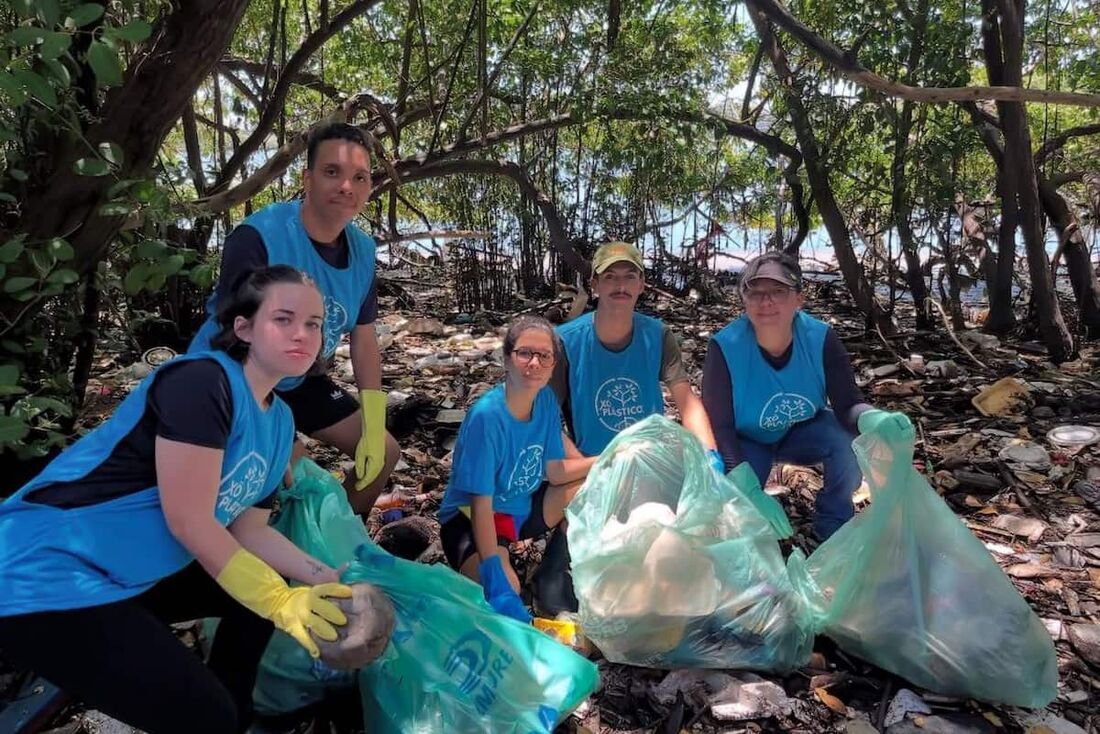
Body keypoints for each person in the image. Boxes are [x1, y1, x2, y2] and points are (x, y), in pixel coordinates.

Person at [0, 266, 358, 734]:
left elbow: (250, 532)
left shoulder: (279, 424)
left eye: (313, 323)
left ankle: (233, 717)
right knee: (206, 710)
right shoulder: (203, 382)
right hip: (50, 574)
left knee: (257, 598)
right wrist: (277, 600)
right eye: (283, 319)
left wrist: (324, 577)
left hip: (131, 570)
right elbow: (190, 520)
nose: (302, 334)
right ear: (243, 328)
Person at [190, 122, 398, 515]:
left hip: (301, 376)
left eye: (360, 177)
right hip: (233, 377)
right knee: (299, 481)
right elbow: (234, 340)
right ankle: (283, 541)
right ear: (307, 179)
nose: (346, 187)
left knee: (384, 454)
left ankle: (341, 538)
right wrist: (280, 438)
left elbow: (364, 337)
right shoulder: (260, 236)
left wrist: (373, 422)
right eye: (332, 172)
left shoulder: (363, 250)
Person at [537, 241, 721, 614]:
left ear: (641, 285)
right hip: (596, 469)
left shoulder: (657, 335)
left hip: (653, 465)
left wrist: (711, 458)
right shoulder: (567, 342)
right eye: (610, 277)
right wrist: (580, 466)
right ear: (594, 285)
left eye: (629, 276)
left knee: (680, 564)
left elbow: (686, 400)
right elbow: (544, 419)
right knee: (555, 594)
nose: (620, 285)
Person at [702, 250, 913, 540]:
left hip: (801, 430)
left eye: (778, 291)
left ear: (798, 299)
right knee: (737, 511)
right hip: (747, 439)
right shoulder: (725, 346)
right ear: (743, 300)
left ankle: (833, 524)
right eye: (755, 292)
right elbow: (719, 426)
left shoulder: (820, 338)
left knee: (845, 439)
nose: (766, 301)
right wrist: (745, 485)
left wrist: (874, 419)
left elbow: (847, 405)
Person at [437, 316, 592, 623]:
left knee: (588, 487)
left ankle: (553, 575)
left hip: (518, 512)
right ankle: (498, 570)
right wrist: (494, 575)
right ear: (507, 359)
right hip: (471, 519)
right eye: (525, 353)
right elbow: (480, 505)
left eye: (544, 355)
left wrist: (609, 457)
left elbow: (557, 472)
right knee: (507, 592)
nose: (534, 363)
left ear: (553, 365)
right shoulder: (487, 417)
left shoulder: (545, 402)